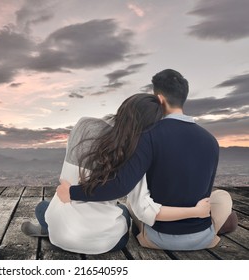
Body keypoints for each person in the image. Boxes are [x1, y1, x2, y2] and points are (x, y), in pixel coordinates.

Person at [57, 69, 238, 251]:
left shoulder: (146, 136)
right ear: (184, 97)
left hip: (158, 236)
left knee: (131, 204)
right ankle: (220, 225)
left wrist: (72, 193)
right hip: (202, 236)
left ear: (159, 100)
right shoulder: (211, 140)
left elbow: (122, 186)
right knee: (221, 197)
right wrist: (196, 211)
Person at [22, 93, 212, 254]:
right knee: (123, 212)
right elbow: (128, 196)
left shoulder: (83, 125)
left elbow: (68, 175)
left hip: (60, 234)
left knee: (45, 207)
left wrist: (72, 193)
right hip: (101, 243)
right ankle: (66, 228)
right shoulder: (135, 150)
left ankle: (50, 228)